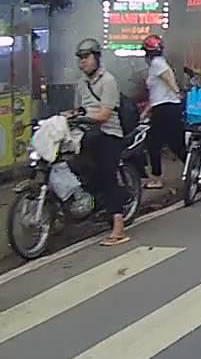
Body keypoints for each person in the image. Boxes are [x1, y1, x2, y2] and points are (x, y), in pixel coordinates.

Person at [68, 38, 129, 246]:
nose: (82, 62)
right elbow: (79, 109)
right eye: (80, 58)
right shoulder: (81, 83)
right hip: (87, 133)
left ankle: (119, 228)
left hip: (108, 133)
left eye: (86, 57)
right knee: (72, 164)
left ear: (97, 58)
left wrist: (84, 119)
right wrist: (66, 116)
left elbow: (104, 114)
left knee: (106, 176)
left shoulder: (107, 80)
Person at [140, 34, 185, 190]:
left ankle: (157, 178)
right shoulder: (157, 64)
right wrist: (147, 111)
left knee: (154, 143)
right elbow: (157, 94)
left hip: (166, 108)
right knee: (174, 144)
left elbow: (169, 77)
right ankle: (196, 168)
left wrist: (177, 92)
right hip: (164, 108)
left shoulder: (157, 63)